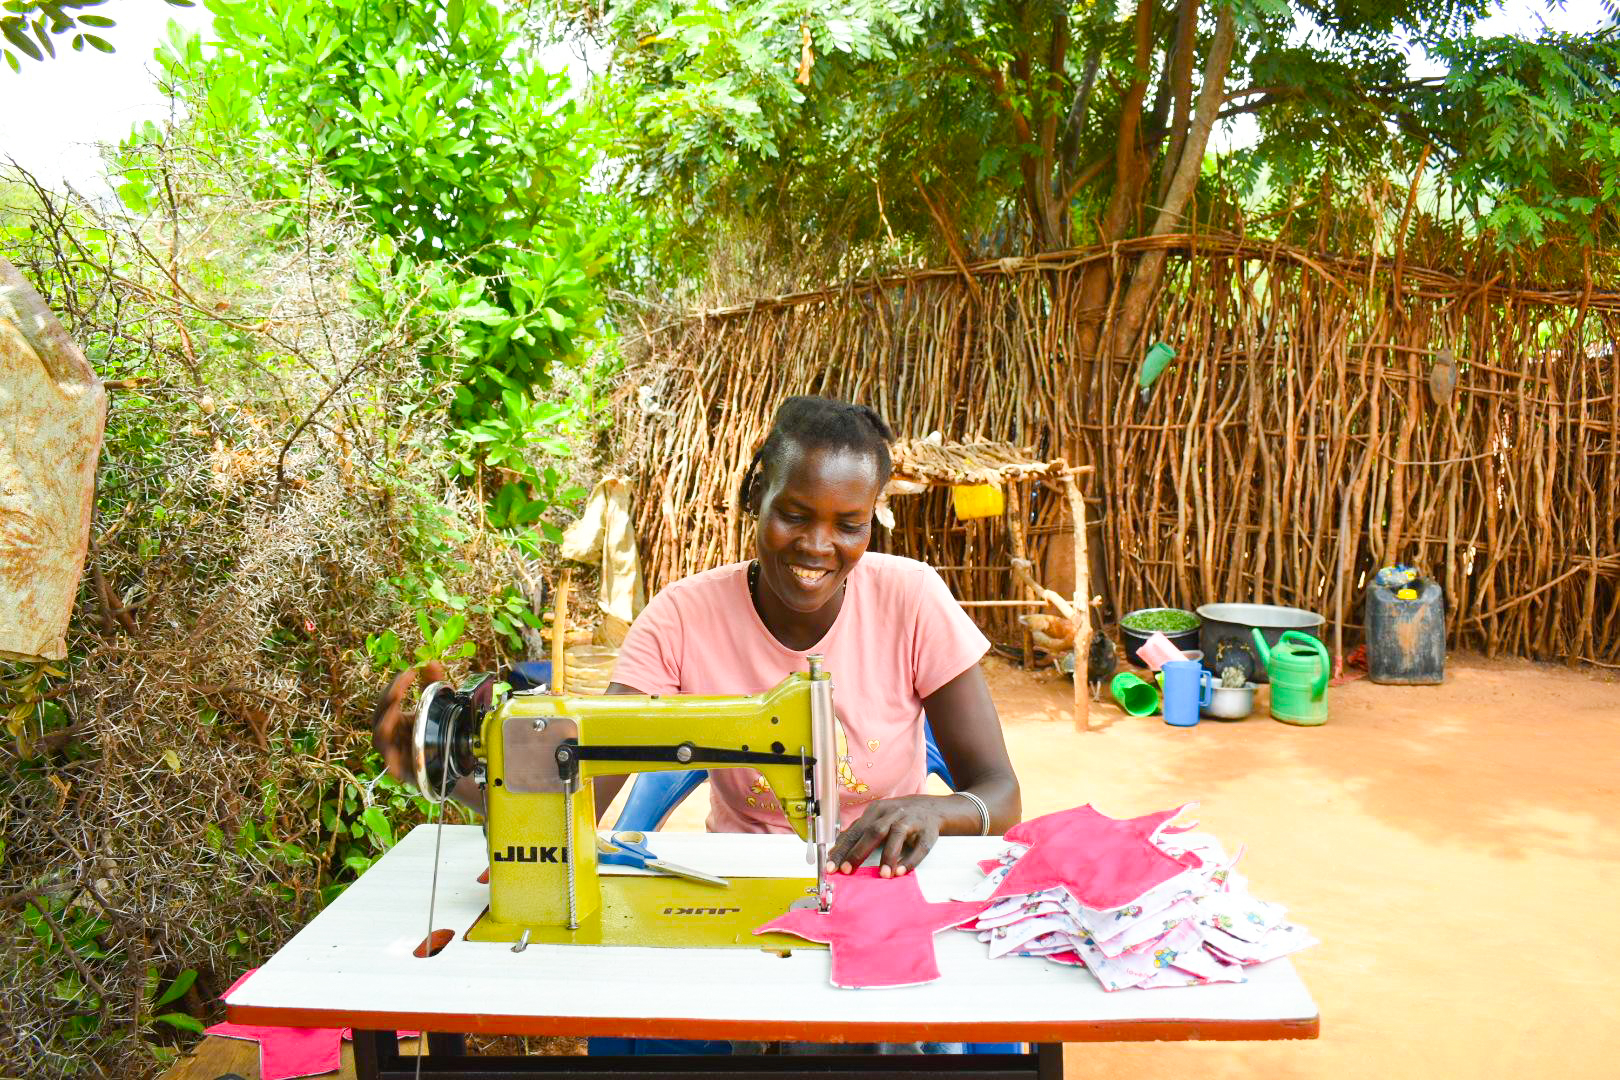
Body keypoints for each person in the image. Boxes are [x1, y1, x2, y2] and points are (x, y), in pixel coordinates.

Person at [372, 395, 1020, 878]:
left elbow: (1000, 793)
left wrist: (933, 812)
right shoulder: (682, 619)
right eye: (794, 515)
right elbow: (584, 789)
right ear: (756, 498)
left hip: (885, 874)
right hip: (738, 878)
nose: (819, 545)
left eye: (848, 525)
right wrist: (461, 778)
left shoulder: (912, 597)